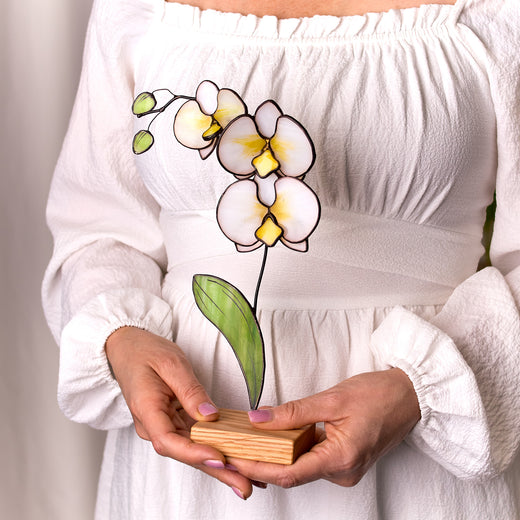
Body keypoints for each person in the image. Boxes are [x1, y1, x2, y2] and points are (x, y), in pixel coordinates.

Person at [42, 0, 520, 518]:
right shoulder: (137, 10)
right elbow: (97, 227)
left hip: (425, 447)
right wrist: (122, 338)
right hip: (193, 448)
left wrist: (424, 389)